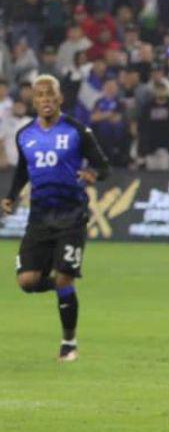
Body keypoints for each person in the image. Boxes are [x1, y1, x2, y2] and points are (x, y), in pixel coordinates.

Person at [2, 75, 110, 362]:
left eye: (51, 95)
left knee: (63, 277)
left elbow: (103, 166)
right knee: (26, 281)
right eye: (40, 96)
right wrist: (12, 195)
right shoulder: (24, 135)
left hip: (71, 215)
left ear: (60, 99)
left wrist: (92, 174)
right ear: (33, 101)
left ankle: (68, 342)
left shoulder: (77, 130)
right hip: (39, 217)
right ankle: (63, 285)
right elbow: (23, 171)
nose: (46, 100)